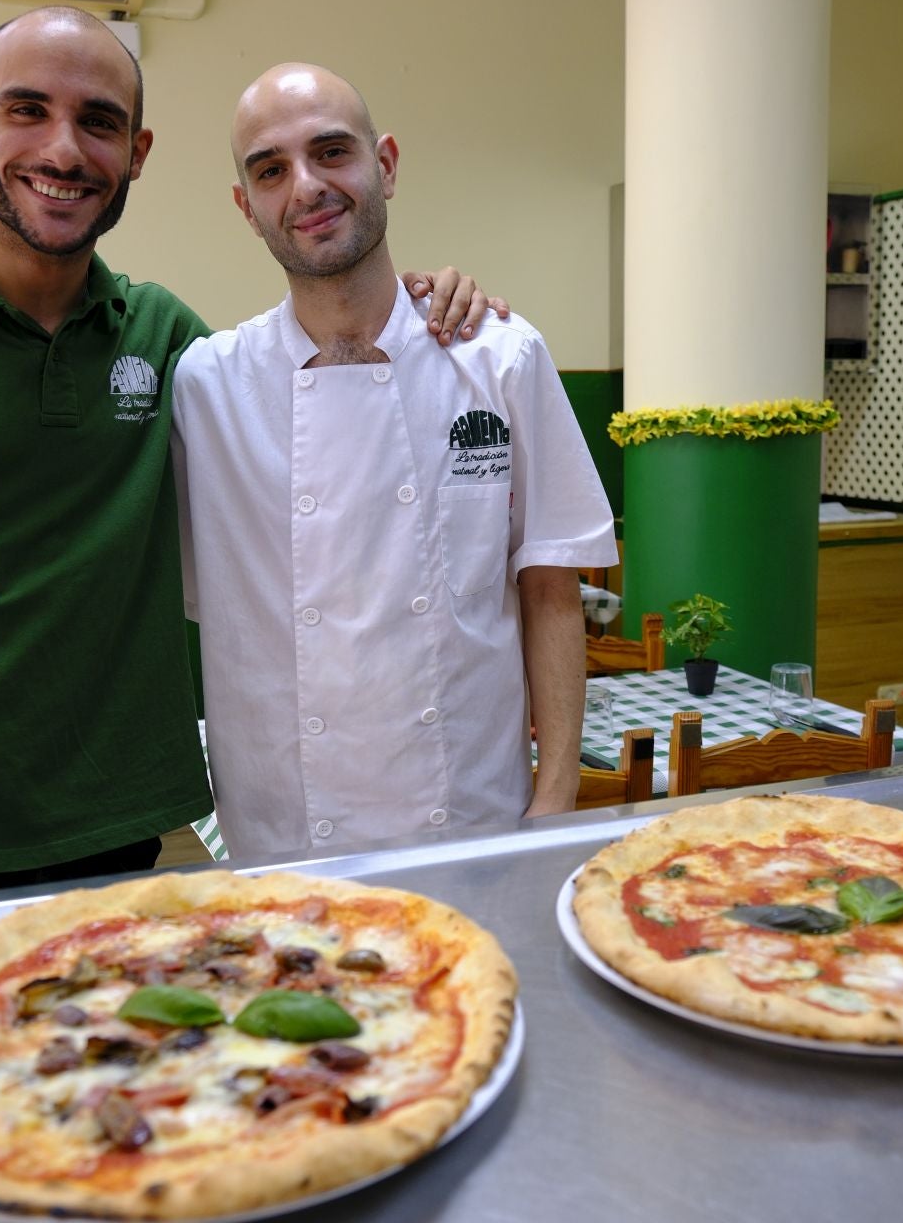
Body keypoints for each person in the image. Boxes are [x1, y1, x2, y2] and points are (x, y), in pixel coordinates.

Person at [0, 8, 496, 926]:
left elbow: (329, 404)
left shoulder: (168, 341)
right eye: (27, 110)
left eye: (100, 122)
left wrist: (431, 306)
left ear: (138, 151)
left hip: (119, 837)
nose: (63, 150)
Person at [170, 63, 615, 857]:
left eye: (332, 152)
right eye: (270, 170)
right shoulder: (207, 386)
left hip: (476, 819)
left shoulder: (500, 359)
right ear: (247, 207)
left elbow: (550, 586)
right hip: (282, 836)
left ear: (387, 165)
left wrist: (555, 802)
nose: (306, 186)